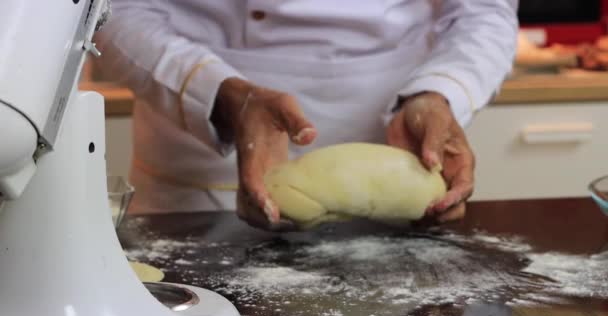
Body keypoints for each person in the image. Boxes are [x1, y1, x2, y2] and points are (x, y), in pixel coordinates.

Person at [96, 0, 519, 230]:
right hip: (202, 147)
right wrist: (217, 93)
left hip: (400, 142)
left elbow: (485, 9)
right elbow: (110, 9)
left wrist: (441, 92)